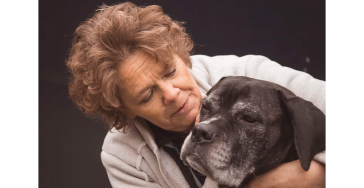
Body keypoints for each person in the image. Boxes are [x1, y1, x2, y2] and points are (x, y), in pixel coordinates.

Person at [66, 2, 325, 188]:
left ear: (182, 56)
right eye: (146, 96)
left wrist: (317, 175)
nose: (171, 93)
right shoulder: (122, 155)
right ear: (125, 110)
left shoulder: (251, 75)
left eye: (169, 72)